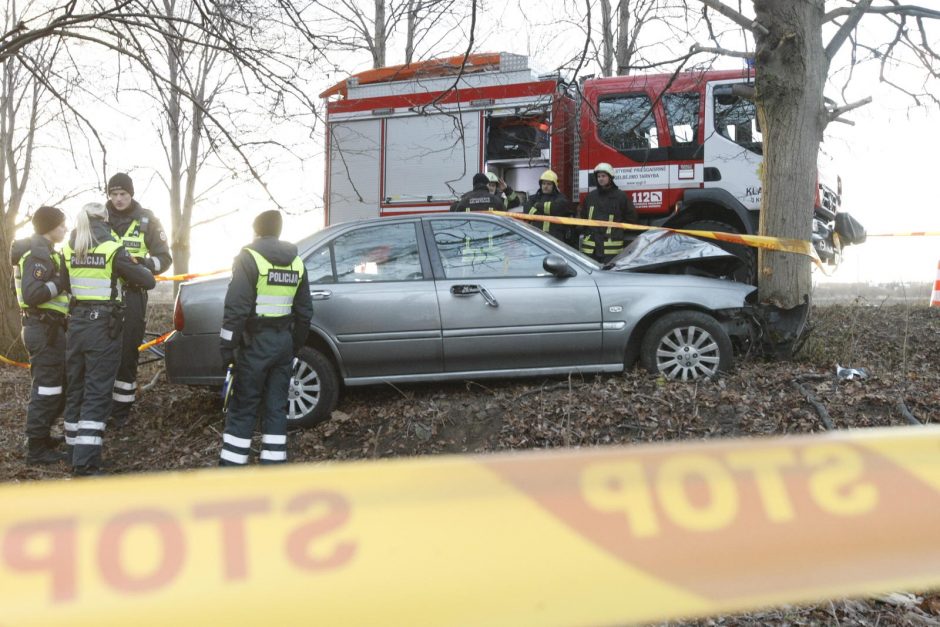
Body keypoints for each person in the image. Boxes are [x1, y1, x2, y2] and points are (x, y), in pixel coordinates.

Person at [63, 202, 156, 476]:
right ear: (104, 219)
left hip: (76, 325)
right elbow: (147, 280)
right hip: (102, 327)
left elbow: (65, 283)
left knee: (76, 388)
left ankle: (73, 452)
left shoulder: (69, 248)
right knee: (97, 392)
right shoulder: (111, 249)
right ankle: (86, 463)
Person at [218, 210, 313, 466]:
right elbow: (305, 313)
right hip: (283, 343)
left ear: (257, 231)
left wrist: (227, 347)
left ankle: (231, 469)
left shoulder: (248, 258)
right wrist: (294, 346)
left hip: (254, 345)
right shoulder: (296, 262)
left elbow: (236, 309)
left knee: (243, 407)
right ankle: (273, 468)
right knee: (276, 407)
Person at [105, 173, 171, 428]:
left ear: (131, 194)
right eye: (114, 194)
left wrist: (141, 265)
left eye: (123, 194)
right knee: (102, 352)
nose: (119, 199)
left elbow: (164, 259)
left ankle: (121, 410)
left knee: (127, 352)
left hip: (133, 296)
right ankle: (101, 404)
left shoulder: (148, 221)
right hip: (102, 298)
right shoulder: (99, 219)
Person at [10, 206, 70, 465]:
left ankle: (42, 436)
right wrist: (60, 283)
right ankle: (36, 448)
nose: (65, 229)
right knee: (46, 389)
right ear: (49, 228)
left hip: (50, 330)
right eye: (61, 225)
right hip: (42, 330)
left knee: (58, 386)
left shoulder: (46, 253)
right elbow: (33, 294)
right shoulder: (37, 256)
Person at [579, 162, 638, 262]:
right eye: (598, 176)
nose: (601, 179)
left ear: (610, 178)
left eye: (603, 176)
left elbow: (632, 219)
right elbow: (582, 218)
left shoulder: (620, 196)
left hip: (611, 251)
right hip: (591, 250)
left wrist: (617, 232)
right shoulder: (590, 197)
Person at [524, 169, 576, 247]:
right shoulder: (533, 198)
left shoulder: (561, 198)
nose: (545, 186)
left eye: (549, 184)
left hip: (555, 238)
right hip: (537, 237)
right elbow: (527, 209)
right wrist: (543, 213)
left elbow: (555, 208)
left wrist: (538, 206)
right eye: (544, 183)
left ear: (554, 186)